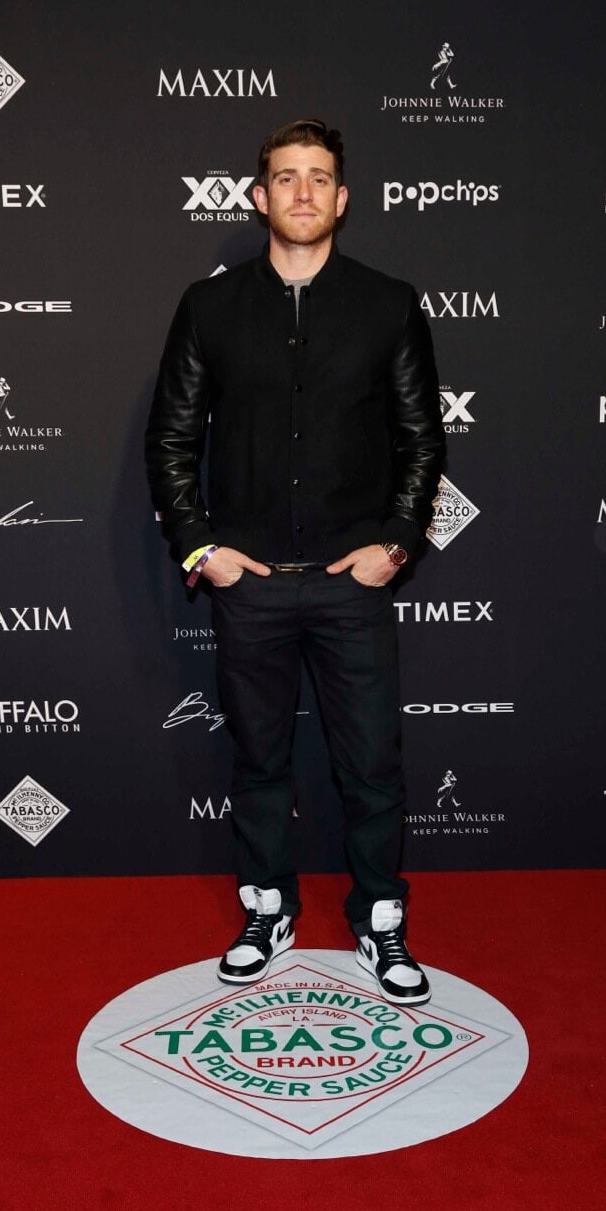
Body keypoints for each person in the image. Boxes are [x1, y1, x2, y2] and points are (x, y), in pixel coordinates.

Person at [145, 119, 445, 1005]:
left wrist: (396, 544)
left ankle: (380, 917)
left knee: (373, 764)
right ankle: (267, 907)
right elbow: (171, 440)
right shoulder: (210, 308)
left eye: (319, 177)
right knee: (260, 761)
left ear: (342, 199)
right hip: (252, 589)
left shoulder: (389, 304)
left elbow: (422, 440)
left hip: (355, 586)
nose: (303, 191)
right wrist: (201, 548)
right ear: (259, 196)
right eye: (286, 177)